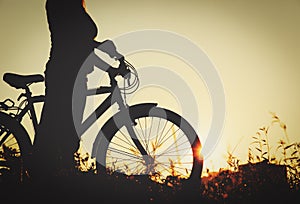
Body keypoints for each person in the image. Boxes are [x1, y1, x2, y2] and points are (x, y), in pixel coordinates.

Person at [31, 0, 125, 180]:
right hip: (64, 75)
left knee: (69, 135)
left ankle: (57, 179)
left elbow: (82, 45)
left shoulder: (75, 5)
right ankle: (44, 180)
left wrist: (106, 55)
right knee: (63, 134)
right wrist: (106, 59)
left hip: (76, 75)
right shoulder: (62, 4)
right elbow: (75, 43)